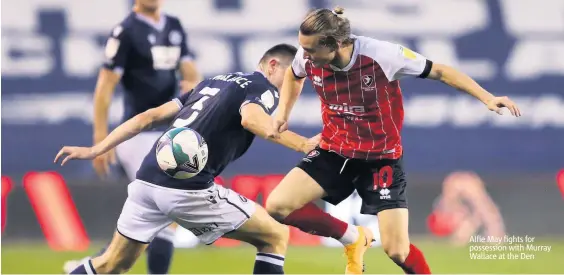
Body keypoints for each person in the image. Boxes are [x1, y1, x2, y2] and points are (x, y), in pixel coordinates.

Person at [266, 6, 522, 275]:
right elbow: (294, 76)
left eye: (310, 50)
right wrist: (283, 113)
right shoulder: (305, 58)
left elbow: (442, 72)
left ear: (335, 44)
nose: (303, 56)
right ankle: (354, 237)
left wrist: (487, 98)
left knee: (397, 250)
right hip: (335, 149)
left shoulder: (381, 55)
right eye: (302, 48)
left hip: (380, 159)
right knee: (277, 206)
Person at [55, 44, 321, 274]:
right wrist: (303, 144)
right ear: (273, 66)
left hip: (147, 180)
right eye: (293, 78)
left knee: (111, 265)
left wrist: (96, 148)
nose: (293, 87)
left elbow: (147, 118)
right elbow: (251, 119)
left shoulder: (212, 83)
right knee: (275, 235)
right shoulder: (263, 87)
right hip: (187, 188)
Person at [63, 0, 202, 274]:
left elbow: (190, 72)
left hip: (169, 131)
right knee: (166, 211)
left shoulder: (173, 26)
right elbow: (105, 87)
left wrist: (196, 87)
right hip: (138, 133)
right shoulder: (125, 31)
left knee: (148, 221)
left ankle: (88, 267)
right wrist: (101, 141)